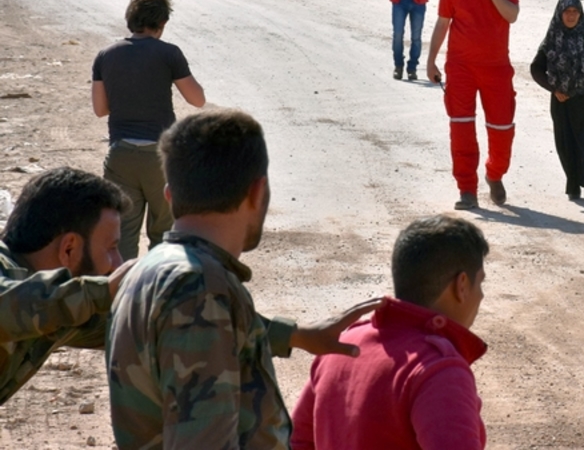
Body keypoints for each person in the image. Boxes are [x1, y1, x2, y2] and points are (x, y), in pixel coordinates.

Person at [106, 109, 383, 449]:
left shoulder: (153, 270)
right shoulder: (200, 288)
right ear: (257, 191)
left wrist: (295, 336)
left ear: (169, 196)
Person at [291, 215, 490, 450]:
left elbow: (297, 441)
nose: (482, 296)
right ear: (462, 285)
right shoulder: (438, 369)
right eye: (480, 284)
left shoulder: (341, 345)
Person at [92, 0, 205, 260]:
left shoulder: (106, 55)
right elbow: (197, 100)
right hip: (160, 157)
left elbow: (100, 109)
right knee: (165, 233)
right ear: (162, 23)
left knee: (123, 237)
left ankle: (123, 296)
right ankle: (158, 294)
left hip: (120, 155)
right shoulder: (169, 54)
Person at [0, 168, 129, 404]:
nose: (117, 263)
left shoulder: (62, 306)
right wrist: (104, 290)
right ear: (68, 248)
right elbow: (8, 307)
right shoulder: (48, 300)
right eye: (111, 248)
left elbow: (128, 328)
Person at [426, 0, 519, 210]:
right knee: (461, 129)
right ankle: (467, 189)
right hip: (461, 68)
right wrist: (431, 60)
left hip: (497, 69)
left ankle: (494, 173)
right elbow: (443, 23)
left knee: (502, 129)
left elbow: (511, 15)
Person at [531, 0, 584, 202]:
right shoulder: (551, 39)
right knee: (567, 145)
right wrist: (553, 89)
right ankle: (573, 185)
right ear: (560, 14)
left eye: (575, 12)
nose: (571, 16)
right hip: (564, 103)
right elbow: (536, 68)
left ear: (581, 14)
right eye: (567, 12)